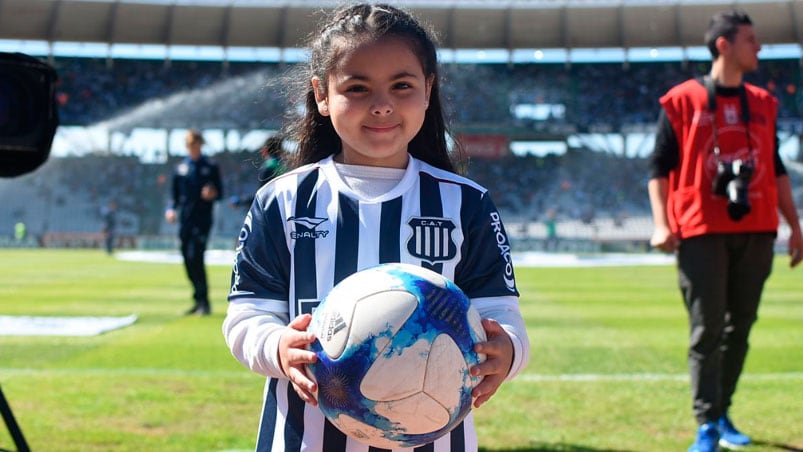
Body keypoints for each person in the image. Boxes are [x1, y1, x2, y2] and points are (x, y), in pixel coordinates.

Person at [222, 4, 530, 451]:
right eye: (357, 88)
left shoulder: (466, 203)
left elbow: (503, 317)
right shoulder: (283, 200)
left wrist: (509, 353)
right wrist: (277, 348)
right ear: (322, 95)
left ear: (428, 90)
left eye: (401, 86)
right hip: (304, 439)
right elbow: (245, 317)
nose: (382, 105)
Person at [647, 9, 803, 452]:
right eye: (750, 39)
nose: (759, 47)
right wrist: (661, 223)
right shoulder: (681, 100)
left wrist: (795, 225)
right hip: (699, 229)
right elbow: (658, 167)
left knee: (741, 327)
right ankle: (706, 425)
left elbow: (775, 169)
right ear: (724, 45)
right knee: (707, 329)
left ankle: (722, 412)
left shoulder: (765, 102)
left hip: (757, 229)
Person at [166, 129, 223, 316]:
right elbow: (173, 195)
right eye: (190, 145)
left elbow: (220, 192)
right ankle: (197, 298)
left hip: (203, 219)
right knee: (187, 258)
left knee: (196, 256)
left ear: (200, 144)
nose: (193, 148)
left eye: (196, 144)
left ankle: (204, 302)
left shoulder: (210, 166)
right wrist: (171, 209)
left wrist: (212, 193)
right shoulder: (180, 168)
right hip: (185, 219)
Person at [228, 134, 286, 209]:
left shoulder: (268, 167)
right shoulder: (286, 167)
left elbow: (262, 196)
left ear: (264, 150)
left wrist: (240, 201)